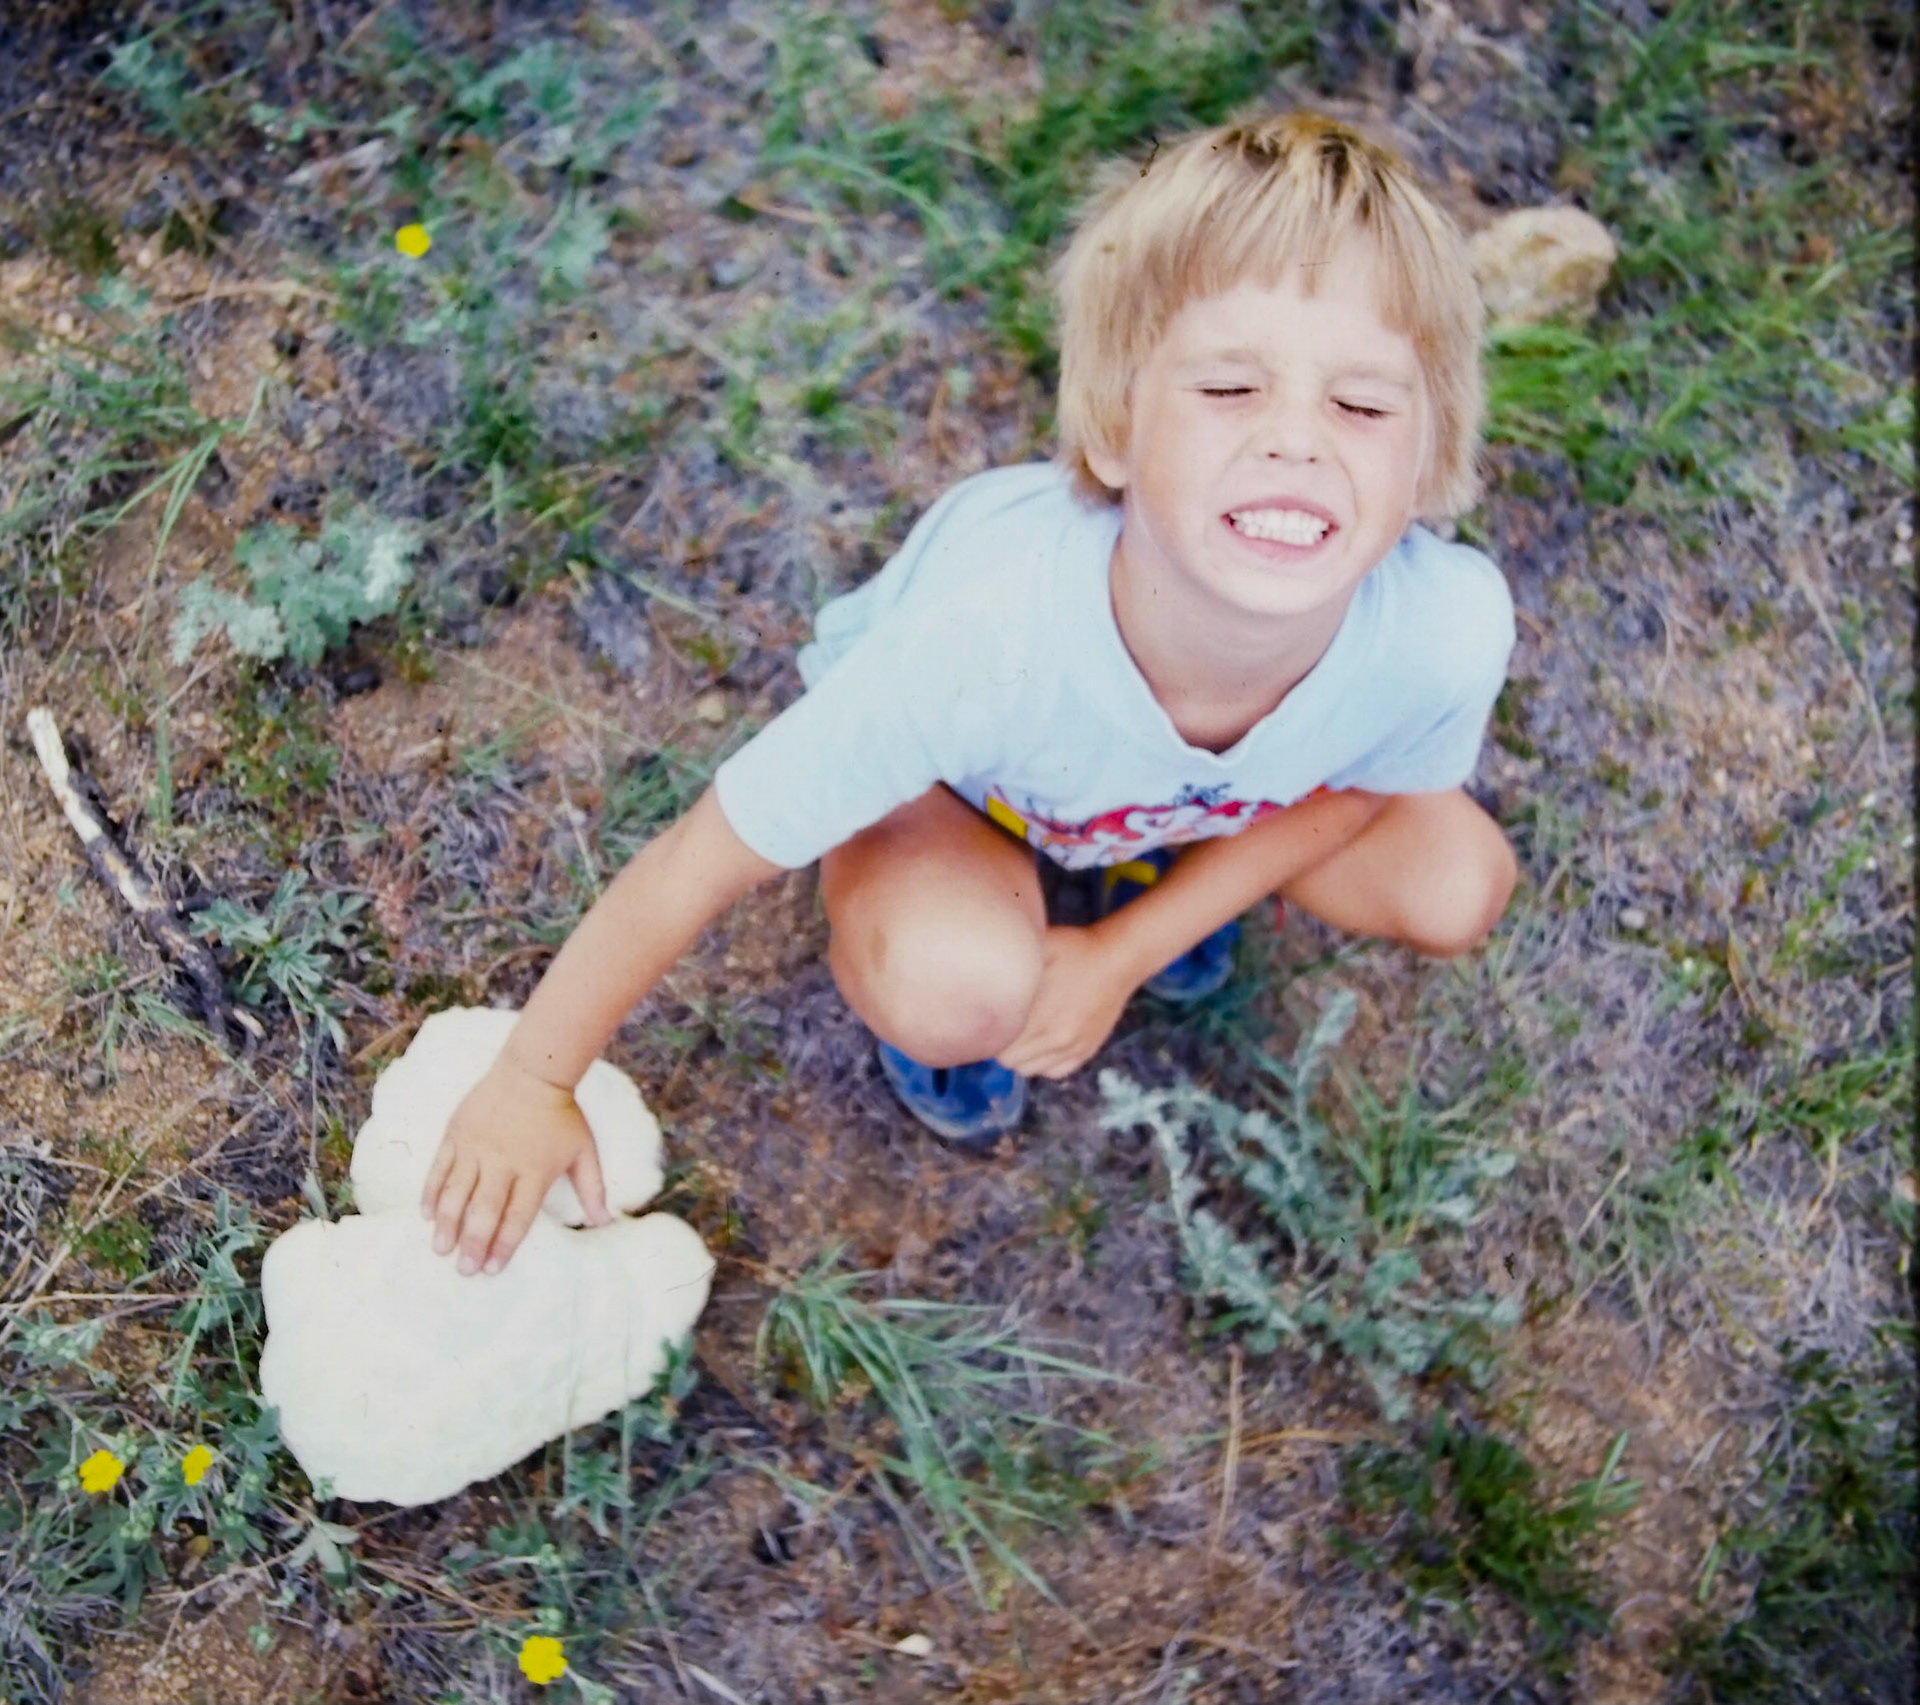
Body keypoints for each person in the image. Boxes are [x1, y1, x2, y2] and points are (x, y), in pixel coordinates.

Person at [421, 109, 1519, 1276]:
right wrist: (531, 1079)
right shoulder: (984, 640)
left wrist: (1126, 950)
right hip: (964, 788)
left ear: (1429, 461)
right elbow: (704, 855)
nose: (1299, 441)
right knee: (955, 984)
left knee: (1458, 880)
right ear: (1112, 430)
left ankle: (1146, 871)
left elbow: (1359, 790)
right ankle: (999, 902)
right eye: (1230, 387)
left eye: (1362, 405)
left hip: (1180, 800)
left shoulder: (1443, 629)